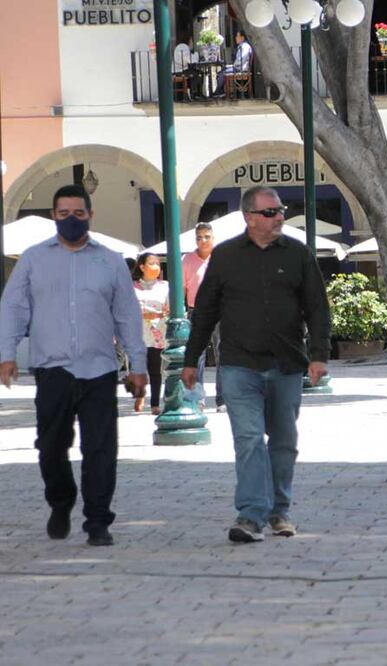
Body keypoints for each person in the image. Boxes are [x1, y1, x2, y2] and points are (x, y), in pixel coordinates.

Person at [0, 184, 147, 547]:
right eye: (63, 213)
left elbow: (127, 316)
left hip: (99, 370)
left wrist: (138, 365)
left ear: (90, 216)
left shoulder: (110, 260)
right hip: (53, 369)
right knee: (51, 446)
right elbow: (14, 309)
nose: (71, 219)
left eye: (78, 213)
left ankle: (98, 521)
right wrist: (6, 354)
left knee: (100, 449)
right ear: (54, 215)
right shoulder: (33, 259)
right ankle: (61, 502)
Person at [181, 186, 330, 544]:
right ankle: (250, 516)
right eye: (271, 212)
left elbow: (317, 307)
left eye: (281, 210)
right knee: (248, 440)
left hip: (286, 364)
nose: (279, 216)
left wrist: (320, 354)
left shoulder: (298, 254)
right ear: (249, 217)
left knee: (282, 442)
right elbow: (205, 311)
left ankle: (280, 511)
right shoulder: (227, 256)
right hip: (239, 364)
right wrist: (191, 359)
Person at [183, 222, 224, 411]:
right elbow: (182, 288)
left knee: (222, 352)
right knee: (196, 355)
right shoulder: (187, 260)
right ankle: (198, 399)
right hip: (196, 310)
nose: (203, 240)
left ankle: (222, 399)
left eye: (207, 236)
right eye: (199, 237)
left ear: (213, 238)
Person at [132, 252, 170, 415]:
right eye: (152, 263)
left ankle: (155, 403)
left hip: (157, 331)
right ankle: (140, 393)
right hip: (137, 331)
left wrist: (163, 315)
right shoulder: (131, 286)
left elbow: (169, 309)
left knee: (155, 368)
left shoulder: (165, 286)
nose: (156, 267)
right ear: (142, 266)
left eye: (158, 264)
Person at [213, 30, 252, 97]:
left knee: (222, 73)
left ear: (242, 38)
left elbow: (241, 60)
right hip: (238, 68)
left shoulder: (245, 46)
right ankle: (220, 91)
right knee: (222, 71)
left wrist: (233, 66)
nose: (236, 38)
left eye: (237, 36)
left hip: (241, 69)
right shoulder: (241, 46)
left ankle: (219, 92)